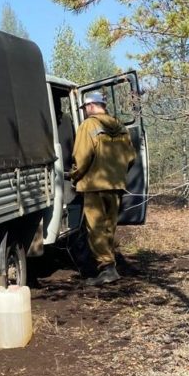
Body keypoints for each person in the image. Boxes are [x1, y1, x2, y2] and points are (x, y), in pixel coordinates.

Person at [69, 91, 136, 286]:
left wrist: (74, 176)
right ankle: (110, 264)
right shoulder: (121, 126)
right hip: (116, 184)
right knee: (109, 225)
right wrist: (119, 173)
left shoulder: (89, 125)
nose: (84, 112)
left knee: (96, 227)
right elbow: (131, 157)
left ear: (90, 106)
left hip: (94, 185)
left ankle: (107, 268)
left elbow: (81, 157)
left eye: (85, 108)